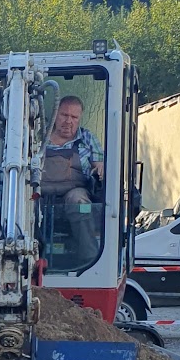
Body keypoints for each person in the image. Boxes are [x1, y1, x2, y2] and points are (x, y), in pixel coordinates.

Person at [42, 94, 105, 265]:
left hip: (73, 192)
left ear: (79, 119)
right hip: (39, 193)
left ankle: (89, 259)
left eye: (74, 117)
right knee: (24, 203)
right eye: (64, 115)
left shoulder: (87, 138)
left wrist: (101, 169)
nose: (68, 121)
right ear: (55, 115)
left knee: (79, 202)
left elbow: (100, 164)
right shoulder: (39, 138)